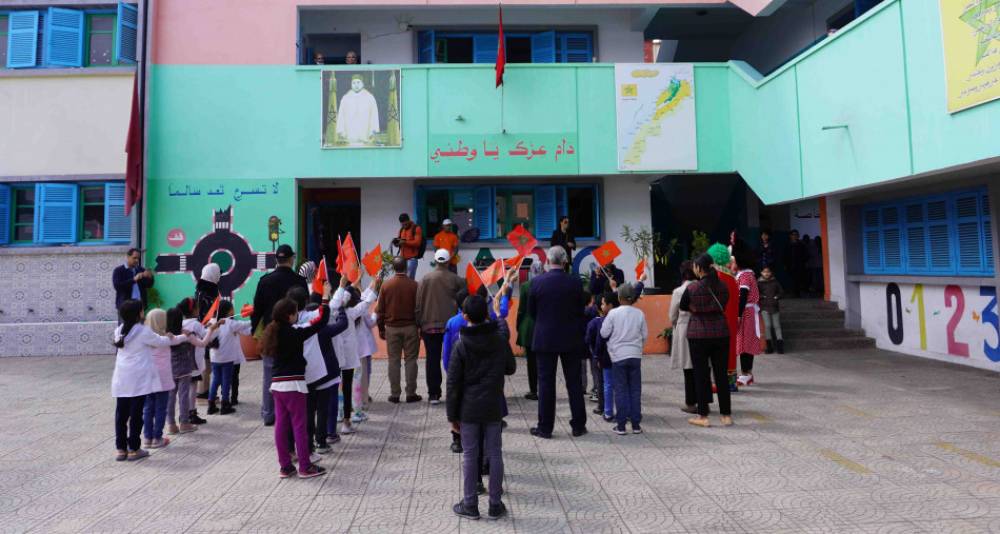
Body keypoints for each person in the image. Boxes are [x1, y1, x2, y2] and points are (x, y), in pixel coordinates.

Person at [447, 295, 515, 521]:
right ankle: (495, 504)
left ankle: (470, 504)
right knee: (495, 453)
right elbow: (511, 367)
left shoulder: (461, 344)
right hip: (493, 404)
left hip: (469, 408)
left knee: (470, 455)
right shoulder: (498, 339)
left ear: (465, 316)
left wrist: (451, 415)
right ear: (486, 314)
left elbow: (453, 383)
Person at [259, 289, 331, 479]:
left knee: (281, 426)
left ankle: (285, 466)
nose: (297, 315)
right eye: (295, 312)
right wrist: (325, 298)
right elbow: (321, 322)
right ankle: (305, 466)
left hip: (277, 385)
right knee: (299, 425)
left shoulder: (271, 331)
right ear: (289, 315)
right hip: (294, 385)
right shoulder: (294, 331)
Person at [111, 300, 187, 461]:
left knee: (121, 415)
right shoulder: (142, 331)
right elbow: (161, 342)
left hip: (121, 378)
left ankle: (120, 449)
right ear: (139, 313)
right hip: (138, 380)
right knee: (136, 414)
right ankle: (134, 449)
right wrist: (169, 336)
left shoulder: (118, 331)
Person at [529, 246, 589, 439]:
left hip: (545, 338)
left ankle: (545, 427)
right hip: (571, 338)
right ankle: (578, 425)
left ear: (547, 261)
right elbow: (581, 309)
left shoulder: (537, 282)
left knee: (546, 384)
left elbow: (532, 312)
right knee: (574, 382)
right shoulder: (575, 282)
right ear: (565, 261)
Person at [252, 244, 308, 426]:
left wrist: (255, 332)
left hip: (271, 334)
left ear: (277, 260)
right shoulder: (299, 281)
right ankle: (294, 413)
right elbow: (305, 308)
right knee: (294, 375)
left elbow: (257, 310)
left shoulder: (265, 280)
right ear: (292, 259)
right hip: (294, 333)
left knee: (269, 374)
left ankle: (269, 414)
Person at [681, 254, 733, 428]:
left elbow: (683, 305)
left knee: (701, 375)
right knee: (721, 375)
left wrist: (697, 309)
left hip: (698, 334)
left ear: (698, 268)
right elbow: (724, 303)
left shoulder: (693, 288)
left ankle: (703, 416)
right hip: (720, 332)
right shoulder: (723, 286)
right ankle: (726, 415)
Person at [416, 248, 464, 404]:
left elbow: (418, 305)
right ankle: (455, 392)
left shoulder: (424, 279)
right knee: (454, 359)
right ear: (449, 261)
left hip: (429, 326)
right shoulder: (457, 280)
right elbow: (464, 302)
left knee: (432, 359)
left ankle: (434, 394)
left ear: (435, 261)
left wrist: (419, 324)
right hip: (452, 326)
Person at [600, 283, 648, 435]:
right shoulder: (639, 313)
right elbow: (645, 335)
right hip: (635, 356)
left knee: (620, 390)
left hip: (618, 356)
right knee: (635, 390)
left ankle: (621, 425)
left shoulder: (613, 314)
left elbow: (603, 333)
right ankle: (636, 425)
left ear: (619, 298)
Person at [332, 280, 378, 434]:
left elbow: (361, 300)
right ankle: (347, 421)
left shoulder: (332, 312)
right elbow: (365, 302)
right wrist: (375, 285)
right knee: (350, 387)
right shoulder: (351, 314)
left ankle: (338, 415)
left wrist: (341, 285)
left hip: (337, 357)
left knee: (338, 387)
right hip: (351, 358)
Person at [376, 257, 421, 403]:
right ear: (406, 268)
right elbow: (419, 309)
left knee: (393, 361)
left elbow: (380, 310)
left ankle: (395, 394)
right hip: (411, 327)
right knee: (411, 361)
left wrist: (381, 328)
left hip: (392, 328)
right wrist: (419, 326)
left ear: (394, 268)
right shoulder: (414, 285)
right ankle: (411, 393)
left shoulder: (386, 286)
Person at [207, 300, 251, 415]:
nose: (233, 310)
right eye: (232, 308)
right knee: (226, 380)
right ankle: (225, 405)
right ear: (228, 311)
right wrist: (255, 316)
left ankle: (211, 405)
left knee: (216, 380)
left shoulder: (212, 321)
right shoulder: (229, 323)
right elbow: (245, 325)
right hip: (227, 358)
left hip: (215, 358)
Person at [708, 242, 740, 393]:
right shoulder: (732, 278)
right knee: (731, 349)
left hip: (719, 320)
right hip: (732, 319)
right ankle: (731, 382)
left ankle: (722, 383)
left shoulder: (716, 277)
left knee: (719, 353)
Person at [142, 308, 175, 450]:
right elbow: (176, 339)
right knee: (161, 408)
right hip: (163, 379)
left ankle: (147, 438)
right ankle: (157, 437)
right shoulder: (165, 339)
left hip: (148, 378)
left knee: (148, 408)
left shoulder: (143, 338)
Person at [732, 241, 763, 387]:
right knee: (746, 343)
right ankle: (747, 373)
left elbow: (742, 296)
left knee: (744, 344)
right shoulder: (747, 274)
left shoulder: (744, 275)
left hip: (746, 312)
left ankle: (746, 374)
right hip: (748, 311)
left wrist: (738, 314)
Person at [669, 261, 697, 414]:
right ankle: (704, 400)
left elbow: (672, 315)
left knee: (688, 367)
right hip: (703, 327)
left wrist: (676, 323)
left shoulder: (679, 291)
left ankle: (691, 402)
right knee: (701, 366)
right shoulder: (702, 287)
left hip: (685, 327)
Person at [515, 261, 544, 401]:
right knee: (545, 361)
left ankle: (533, 390)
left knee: (531, 362)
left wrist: (518, 326)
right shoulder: (547, 284)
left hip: (529, 327)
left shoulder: (526, 286)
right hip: (545, 326)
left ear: (531, 271)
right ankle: (545, 388)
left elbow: (521, 309)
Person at [585, 292, 615, 422]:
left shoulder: (594, 323)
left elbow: (590, 339)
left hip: (599, 356)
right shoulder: (616, 320)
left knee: (602, 383)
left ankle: (603, 407)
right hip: (616, 356)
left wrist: (595, 354)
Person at [195, 263, 221, 399]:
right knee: (205, 362)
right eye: (218, 273)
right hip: (206, 329)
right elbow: (205, 314)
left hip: (209, 328)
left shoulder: (209, 289)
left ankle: (205, 390)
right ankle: (202, 392)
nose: (220, 276)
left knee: (207, 362)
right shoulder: (205, 292)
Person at [336, 74, 380, 145]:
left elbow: (374, 115)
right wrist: (341, 131)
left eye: (358, 82)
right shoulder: (345, 98)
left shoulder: (370, 98)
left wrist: (373, 131)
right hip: (349, 137)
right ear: (351, 84)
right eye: (354, 83)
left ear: (362, 84)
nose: (356, 85)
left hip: (365, 136)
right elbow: (341, 116)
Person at [758, 266, 785, 355]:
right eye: (764, 272)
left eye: (768, 272)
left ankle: (780, 348)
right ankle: (769, 347)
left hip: (774, 307)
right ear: (761, 273)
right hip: (764, 307)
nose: (766, 273)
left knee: (777, 326)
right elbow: (756, 294)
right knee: (768, 326)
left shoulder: (775, 282)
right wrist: (762, 297)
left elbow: (781, 292)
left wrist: (776, 297)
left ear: (771, 273)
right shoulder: (759, 283)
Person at [395, 214, 424, 279]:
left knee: (410, 279)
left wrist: (405, 242)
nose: (404, 226)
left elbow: (417, 243)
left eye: (405, 224)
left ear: (408, 220)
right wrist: (397, 243)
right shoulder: (401, 230)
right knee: (402, 279)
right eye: (402, 224)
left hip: (412, 258)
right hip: (402, 259)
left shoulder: (416, 228)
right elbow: (399, 241)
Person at [785, 230, 808, 298]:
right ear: (790, 236)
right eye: (793, 234)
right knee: (791, 279)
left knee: (798, 279)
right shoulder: (788, 245)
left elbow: (806, 255)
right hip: (790, 265)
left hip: (799, 265)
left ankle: (797, 293)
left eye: (796, 234)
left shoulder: (801, 245)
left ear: (798, 236)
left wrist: (803, 262)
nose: (794, 236)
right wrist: (785, 264)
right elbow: (784, 255)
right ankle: (792, 292)